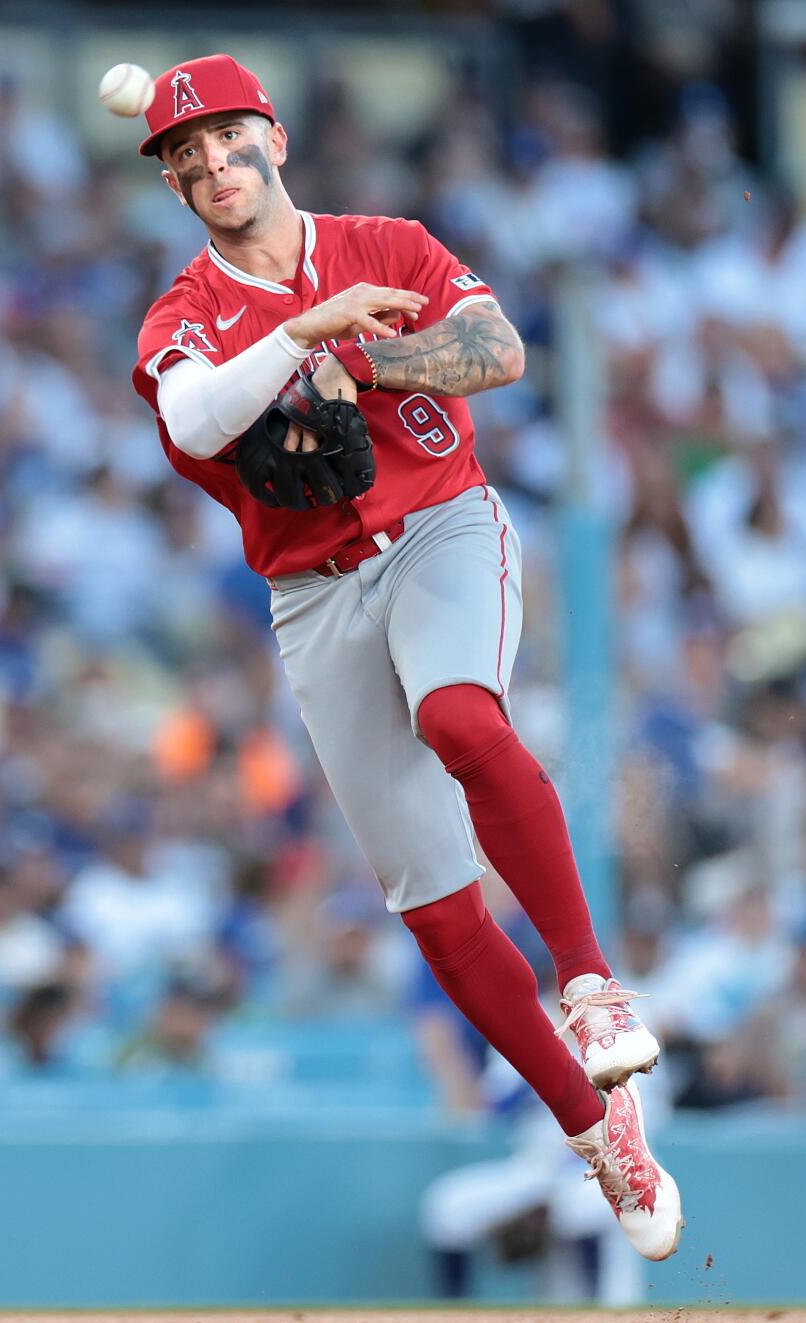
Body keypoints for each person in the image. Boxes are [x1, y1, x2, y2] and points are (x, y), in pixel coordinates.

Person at [128, 54, 680, 1260]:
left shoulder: (386, 240)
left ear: (273, 136)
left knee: (462, 721)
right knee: (433, 911)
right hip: (311, 592)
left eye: (227, 140)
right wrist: (306, 334)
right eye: (186, 159)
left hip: (440, 522)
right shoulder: (183, 317)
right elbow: (194, 418)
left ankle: (590, 987)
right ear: (174, 186)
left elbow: (496, 350)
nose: (212, 167)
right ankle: (596, 1133)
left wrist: (361, 354)